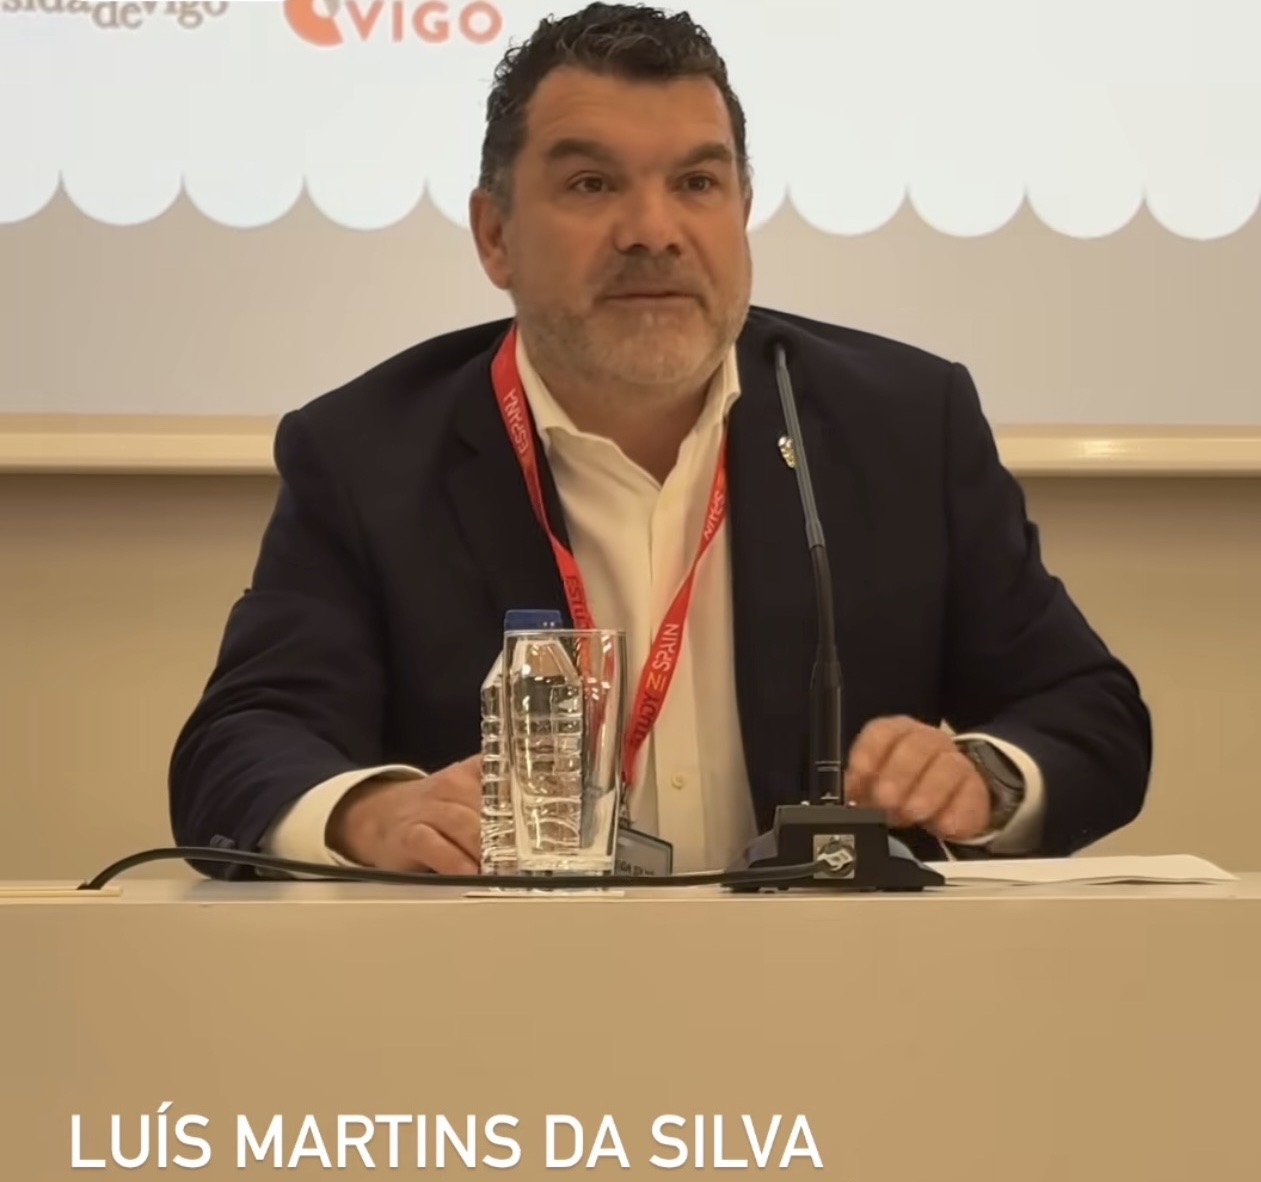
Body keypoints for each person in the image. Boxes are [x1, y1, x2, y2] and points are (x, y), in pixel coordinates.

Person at [169, 2, 1151, 878]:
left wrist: (983, 777)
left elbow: (1087, 712)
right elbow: (241, 744)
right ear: (495, 236)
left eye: (696, 182)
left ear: (742, 212)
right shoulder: (366, 453)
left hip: (837, 989)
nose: (653, 229)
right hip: (496, 992)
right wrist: (372, 815)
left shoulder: (899, 423)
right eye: (592, 183)